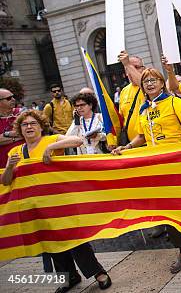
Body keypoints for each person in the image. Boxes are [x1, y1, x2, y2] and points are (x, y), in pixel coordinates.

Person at [112, 68, 181, 273]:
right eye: (145, 81)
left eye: (154, 79)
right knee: (168, 211)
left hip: (180, 165)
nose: (150, 83)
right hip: (159, 169)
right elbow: (141, 136)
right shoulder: (144, 110)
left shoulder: (173, 101)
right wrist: (127, 147)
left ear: (161, 83)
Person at [2, 110, 112, 292]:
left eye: (33, 123)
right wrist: (10, 166)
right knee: (51, 244)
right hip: (36, 207)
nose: (29, 127)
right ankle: (69, 278)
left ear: (41, 126)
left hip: (61, 204)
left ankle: (98, 272)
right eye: (24, 124)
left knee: (76, 239)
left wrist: (50, 148)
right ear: (20, 129)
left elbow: (77, 141)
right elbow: (6, 181)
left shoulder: (51, 140)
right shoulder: (15, 152)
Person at [117, 51, 147, 143]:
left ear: (144, 69)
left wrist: (127, 64)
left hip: (149, 142)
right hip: (132, 144)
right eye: (129, 68)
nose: (132, 70)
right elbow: (121, 118)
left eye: (137, 67)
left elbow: (142, 84)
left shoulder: (150, 85)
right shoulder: (124, 91)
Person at [0, 88, 22, 168]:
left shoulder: (23, 113)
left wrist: (5, 136)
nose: (13, 99)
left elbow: (32, 132)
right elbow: (24, 133)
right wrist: (19, 136)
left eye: (13, 97)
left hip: (25, 161)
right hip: (4, 165)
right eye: (8, 98)